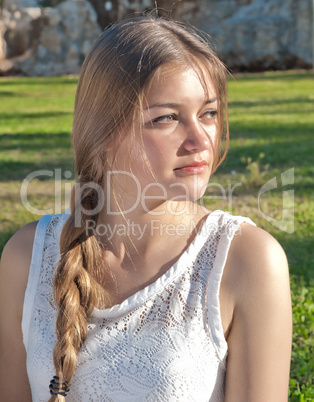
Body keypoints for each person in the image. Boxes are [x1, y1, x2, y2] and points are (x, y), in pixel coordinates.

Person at [0, 16, 292, 402]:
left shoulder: (245, 260)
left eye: (209, 113)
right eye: (166, 118)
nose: (200, 139)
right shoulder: (27, 258)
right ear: (101, 132)